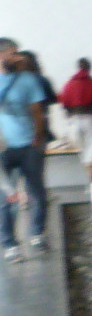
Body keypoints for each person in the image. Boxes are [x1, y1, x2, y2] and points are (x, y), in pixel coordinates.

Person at [0, 53, 48, 260]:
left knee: (36, 191)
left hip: (29, 144)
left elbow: (37, 111)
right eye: (10, 53)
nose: (15, 57)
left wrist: (38, 136)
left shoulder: (28, 79)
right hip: (4, 147)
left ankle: (37, 232)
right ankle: (9, 242)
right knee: (6, 197)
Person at [57, 58, 92, 186]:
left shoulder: (69, 83)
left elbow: (64, 102)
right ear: (89, 68)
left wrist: (69, 119)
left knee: (84, 153)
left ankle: (91, 183)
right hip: (90, 118)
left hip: (74, 120)